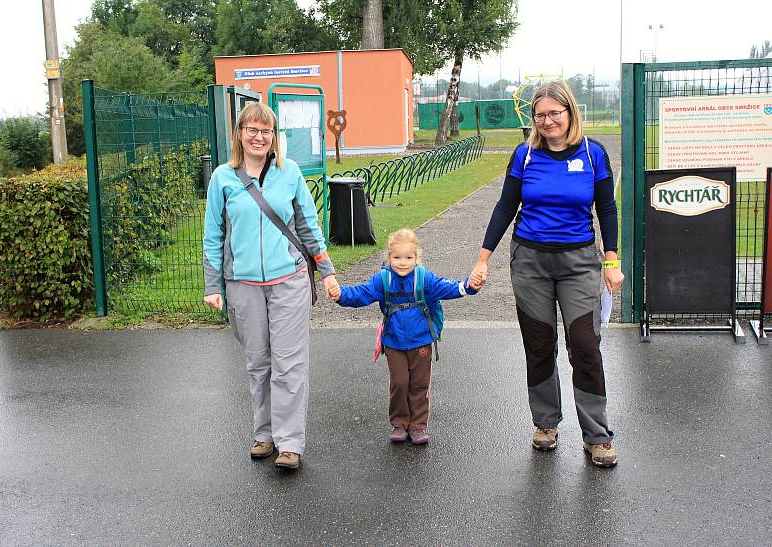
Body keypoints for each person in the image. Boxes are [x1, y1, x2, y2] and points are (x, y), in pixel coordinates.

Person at [469, 81, 624, 468]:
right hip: (530, 261)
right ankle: (545, 424)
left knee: (585, 346)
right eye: (541, 115)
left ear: (570, 112)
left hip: (578, 262)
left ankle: (597, 435)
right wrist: (483, 258)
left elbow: (607, 209)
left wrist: (612, 260)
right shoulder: (524, 155)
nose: (548, 120)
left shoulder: (593, 154)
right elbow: (505, 208)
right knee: (539, 346)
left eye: (555, 112)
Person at [202, 102, 339, 471]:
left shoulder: (289, 172)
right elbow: (213, 235)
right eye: (252, 129)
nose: (259, 137)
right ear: (240, 135)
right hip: (243, 285)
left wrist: (326, 270)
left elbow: (307, 225)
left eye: (266, 131)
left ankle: (290, 442)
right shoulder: (223, 178)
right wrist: (212, 284)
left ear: (274, 137)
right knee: (258, 362)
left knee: (289, 363)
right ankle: (265, 434)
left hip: (288, 280)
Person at [328, 228, 476, 445]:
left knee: (419, 384)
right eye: (397, 257)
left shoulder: (425, 279)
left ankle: (417, 426)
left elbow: (448, 288)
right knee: (399, 382)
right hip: (394, 342)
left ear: (417, 258)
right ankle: (399, 423)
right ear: (389, 258)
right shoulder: (383, 280)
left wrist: (469, 286)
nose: (403, 262)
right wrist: (340, 294)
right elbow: (362, 293)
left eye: (408, 257)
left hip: (421, 342)